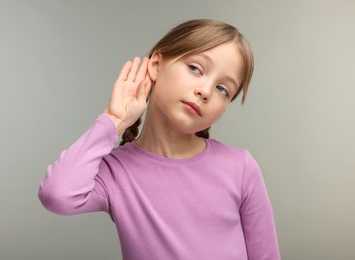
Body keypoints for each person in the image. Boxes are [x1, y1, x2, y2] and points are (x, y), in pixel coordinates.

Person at [38, 19, 280, 260]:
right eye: (195, 68)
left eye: (222, 89)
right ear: (156, 64)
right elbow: (57, 195)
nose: (205, 91)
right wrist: (113, 120)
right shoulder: (116, 171)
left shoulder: (240, 168)